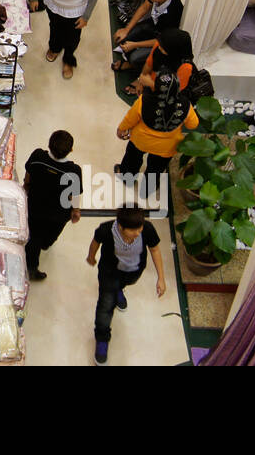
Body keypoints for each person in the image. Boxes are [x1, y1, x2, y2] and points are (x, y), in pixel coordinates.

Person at [87, 207, 166, 365]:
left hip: (133, 271)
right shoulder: (106, 230)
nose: (138, 232)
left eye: (140, 228)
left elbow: (155, 250)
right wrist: (91, 257)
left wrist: (161, 278)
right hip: (110, 271)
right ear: (120, 226)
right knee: (105, 305)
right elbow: (95, 242)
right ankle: (102, 339)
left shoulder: (147, 229)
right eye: (133, 230)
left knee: (121, 286)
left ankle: (119, 291)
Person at [117, 29, 198, 176]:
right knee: (156, 168)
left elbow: (131, 118)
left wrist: (150, 83)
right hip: (167, 146)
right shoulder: (185, 106)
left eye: (162, 48)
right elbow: (193, 124)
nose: (158, 48)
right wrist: (142, 81)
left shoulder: (185, 68)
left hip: (141, 138)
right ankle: (147, 188)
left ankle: (126, 176)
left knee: (133, 155)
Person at [23, 129, 82, 280]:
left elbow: (28, 175)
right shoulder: (74, 171)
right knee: (51, 233)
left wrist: (26, 186)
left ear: (49, 145)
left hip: (35, 206)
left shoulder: (38, 156)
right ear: (71, 150)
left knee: (34, 236)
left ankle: (32, 265)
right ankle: (46, 244)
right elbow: (74, 195)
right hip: (59, 213)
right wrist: (75, 210)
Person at [112, 0, 184, 71]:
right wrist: (126, 29)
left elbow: (161, 41)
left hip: (164, 42)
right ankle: (134, 55)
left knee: (135, 58)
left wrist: (135, 45)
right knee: (122, 39)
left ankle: (132, 65)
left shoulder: (173, 12)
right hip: (154, 24)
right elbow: (145, 7)